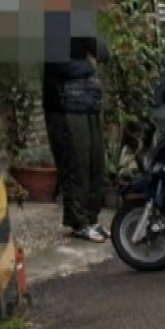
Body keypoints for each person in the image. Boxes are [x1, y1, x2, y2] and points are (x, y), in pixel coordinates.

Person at [43, 27, 111, 243]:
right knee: (76, 164)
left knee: (95, 164)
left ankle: (92, 219)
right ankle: (78, 222)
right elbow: (60, 66)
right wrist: (87, 68)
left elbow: (104, 53)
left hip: (88, 102)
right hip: (64, 106)